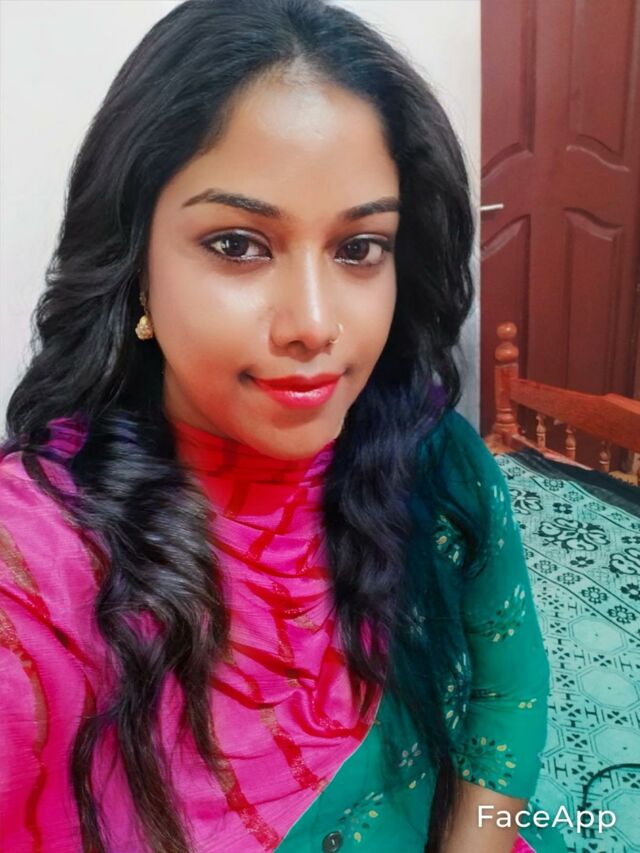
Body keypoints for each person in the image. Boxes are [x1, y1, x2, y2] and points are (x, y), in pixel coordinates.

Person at [0, 1, 563, 851]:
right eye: (238, 244)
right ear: (135, 261)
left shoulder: (429, 454)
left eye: (359, 247)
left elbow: (509, 693)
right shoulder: (43, 552)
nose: (313, 324)